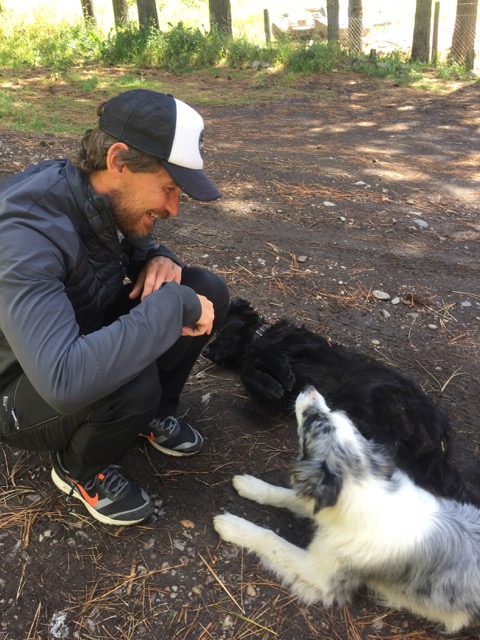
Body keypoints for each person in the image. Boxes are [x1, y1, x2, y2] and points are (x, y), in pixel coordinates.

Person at [0, 89, 229, 526]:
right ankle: (79, 468)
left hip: (72, 334)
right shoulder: (24, 234)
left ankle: (151, 414)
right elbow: (65, 380)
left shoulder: (97, 193)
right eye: (168, 188)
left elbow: (129, 245)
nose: (173, 208)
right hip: (20, 383)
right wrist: (175, 304)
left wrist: (159, 257)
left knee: (203, 287)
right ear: (119, 160)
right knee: (131, 378)